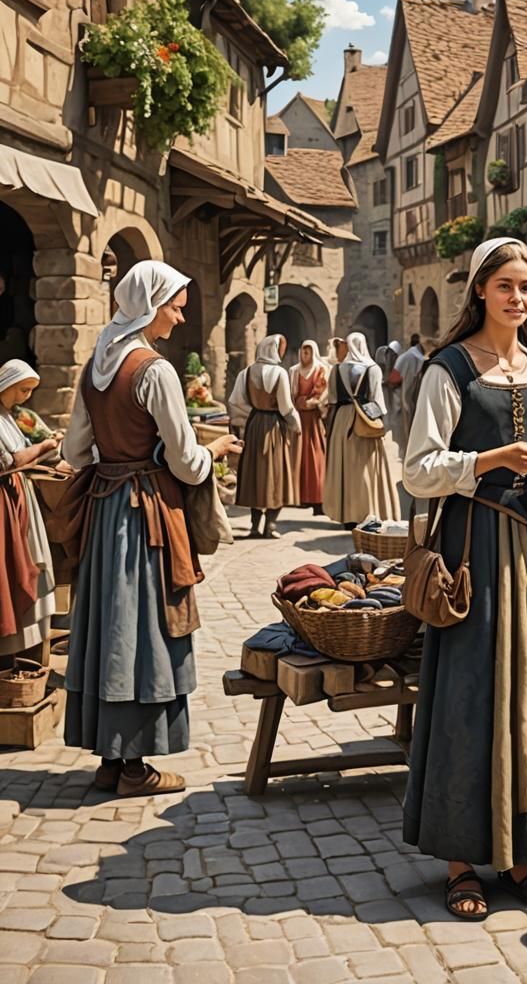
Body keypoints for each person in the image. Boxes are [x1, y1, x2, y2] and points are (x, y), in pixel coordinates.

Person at [403, 238, 527, 921]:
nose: (519, 298)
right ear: (480, 290)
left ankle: (519, 853)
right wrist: (489, 459)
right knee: (469, 699)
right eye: (507, 285)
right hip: (476, 551)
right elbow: (418, 469)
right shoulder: (447, 369)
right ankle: (459, 861)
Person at [61, 260, 242, 796]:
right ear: (149, 305)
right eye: (174, 305)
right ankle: (136, 768)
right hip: (144, 515)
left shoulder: (96, 364)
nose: (179, 315)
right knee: (142, 628)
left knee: (110, 627)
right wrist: (213, 450)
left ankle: (110, 762)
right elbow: (185, 463)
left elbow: (75, 451)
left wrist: (117, 453)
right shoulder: (153, 370)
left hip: (105, 509)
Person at [0, 360, 57, 659]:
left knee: (32, 560)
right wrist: (45, 447)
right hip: (4, 505)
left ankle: (29, 649)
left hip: (20, 498)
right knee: (13, 567)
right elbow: (11, 461)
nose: (25, 397)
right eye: (22, 390)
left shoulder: (9, 417)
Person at [229, 334, 301, 539]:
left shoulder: (246, 373)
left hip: (254, 426)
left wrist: (244, 421)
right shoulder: (280, 373)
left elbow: (236, 402)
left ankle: (254, 526)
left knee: (254, 475)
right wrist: (296, 425)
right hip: (273, 427)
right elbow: (286, 407)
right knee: (275, 474)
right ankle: (270, 525)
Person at [323, 332, 399, 526]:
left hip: (342, 421)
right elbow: (378, 401)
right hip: (364, 420)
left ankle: (346, 514)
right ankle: (365, 512)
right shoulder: (372, 369)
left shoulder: (337, 369)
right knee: (365, 467)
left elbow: (332, 399)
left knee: (345, 467)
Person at [290, 340, 329, 517]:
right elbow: (291, 394)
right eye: (303, 352)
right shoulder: (294, 371)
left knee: (315, 457)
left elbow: (321, 392)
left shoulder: (320, 370)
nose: (305, 355)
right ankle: (298, 496)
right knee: (298, 456)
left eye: (308, 352)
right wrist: (297, 405)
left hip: (313, 420)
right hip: (298, 419)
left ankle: (317, 497)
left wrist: (310, 403)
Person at [393, 333, 426, 452]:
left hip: (406, 400)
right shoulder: (424, 360)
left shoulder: (404, 357)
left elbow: (394, 378)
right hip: (421, 400)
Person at [375, 339, 403, 437]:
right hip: (385, 394)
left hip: (396, 396)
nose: (390, 356)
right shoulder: (382, 358)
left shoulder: (401, 364)